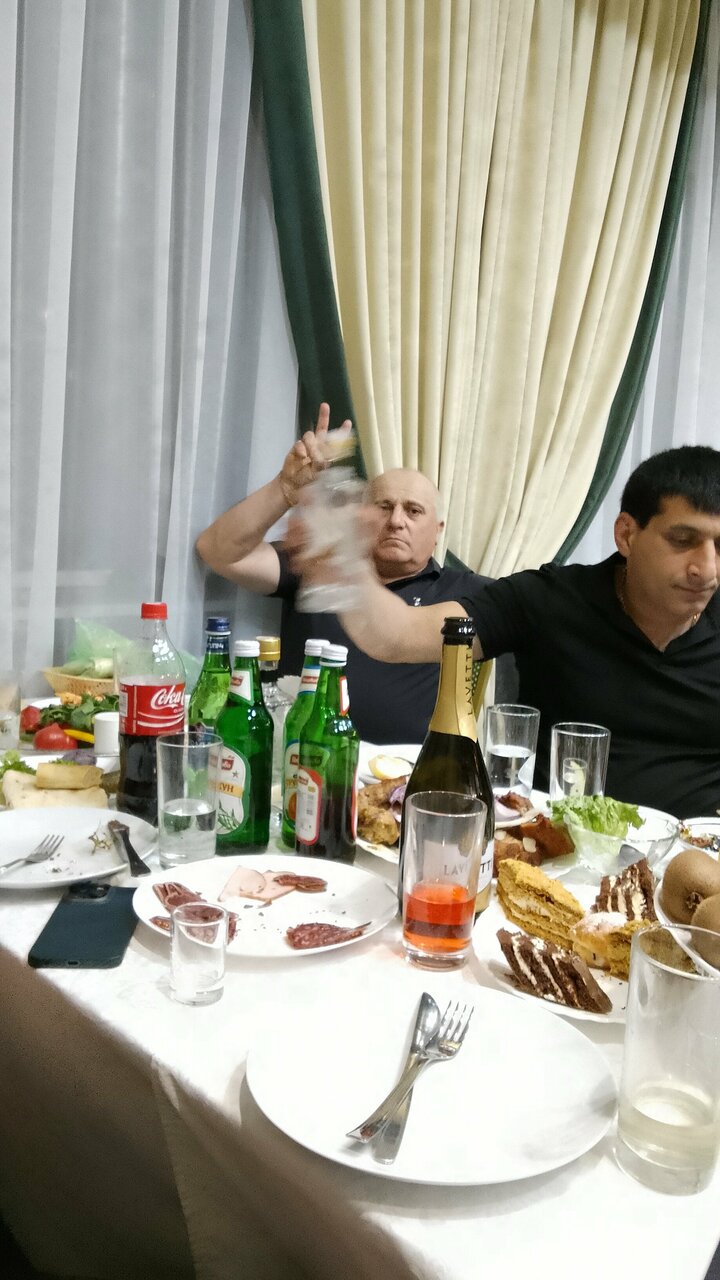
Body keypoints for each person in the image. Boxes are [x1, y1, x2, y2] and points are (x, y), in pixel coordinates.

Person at [314, 443, 720, 817]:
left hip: (702, 852)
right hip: (555, 847)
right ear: (626, 534)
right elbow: (397, 635)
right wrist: (342, 557)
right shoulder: (552, 599)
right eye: (683, 540)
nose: (706, 569)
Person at [195, 404, 483, 743]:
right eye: (384, 506)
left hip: (402, 768)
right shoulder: (320, 564)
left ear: (438, 529)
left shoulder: (463, 593)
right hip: (299, 753)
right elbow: (218, 552)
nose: (396, 521)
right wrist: (284, 489)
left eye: (413, 511)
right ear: (363, 514)